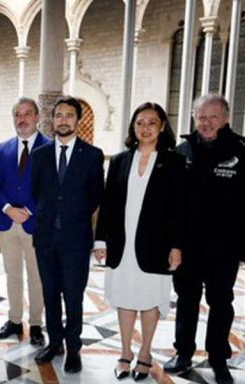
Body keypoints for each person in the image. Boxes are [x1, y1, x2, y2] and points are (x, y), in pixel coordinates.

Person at [164, 94, 245, 384]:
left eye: (213, 116)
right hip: (188, 247)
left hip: (225, 248)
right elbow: (171, 203)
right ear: (193, 118)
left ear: (226, 118)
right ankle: (183, 353)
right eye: (201, 117)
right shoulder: (183, 150)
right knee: (186, 300)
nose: (207, 122)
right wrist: (172, 243)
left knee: (221, 302)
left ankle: (218, 358)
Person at [94, 102, 184, 381]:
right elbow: (108, 204)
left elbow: (181, 209)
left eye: (151, 123)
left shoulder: (174, 162)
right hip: (122, 244)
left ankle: (145, 353)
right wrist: (100, 241)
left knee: (149, 300)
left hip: (156, 245)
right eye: (140, 123)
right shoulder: (120, 160)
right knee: (124, 298)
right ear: (133, 127)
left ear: (162, 127)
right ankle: (125, 352)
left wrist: (177, 246)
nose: (145, 128)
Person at [30, 97, 104, 373]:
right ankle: (54, 343)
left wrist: (72, 215)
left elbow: (96, 196)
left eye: (69, 115)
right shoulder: (40, 155)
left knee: (73, 297)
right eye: (58, 115)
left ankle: (73, 348)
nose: (63, 120)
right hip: (45, 239)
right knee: (50, 294)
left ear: (78, 120)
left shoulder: (93, 155)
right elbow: (37, 192)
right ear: (52, 120)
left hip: (76, 239)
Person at [0, 98, 50, 344]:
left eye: (27, 114)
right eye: (18, 114)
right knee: (12, 273)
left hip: (35, 223)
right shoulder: (4, 148)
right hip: (7, 222)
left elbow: (50, 187)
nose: (22, 119)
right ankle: (14, 321)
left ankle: (36, 324)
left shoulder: (50, 147)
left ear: (37, 117)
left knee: (37, 276)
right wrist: (6, 208)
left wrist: (27, 210)